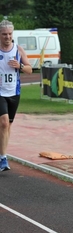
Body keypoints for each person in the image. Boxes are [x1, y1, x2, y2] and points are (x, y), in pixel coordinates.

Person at [0, 20, 32, 171]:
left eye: (10, 34)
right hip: (0, 92)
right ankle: (3, 159)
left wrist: (20, 66)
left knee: (8, 125)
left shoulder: (18, 50)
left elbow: (30, 69)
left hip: (14, 92)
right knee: (4, 122)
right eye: (4, 34)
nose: (7, 37)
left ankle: (2, 152)